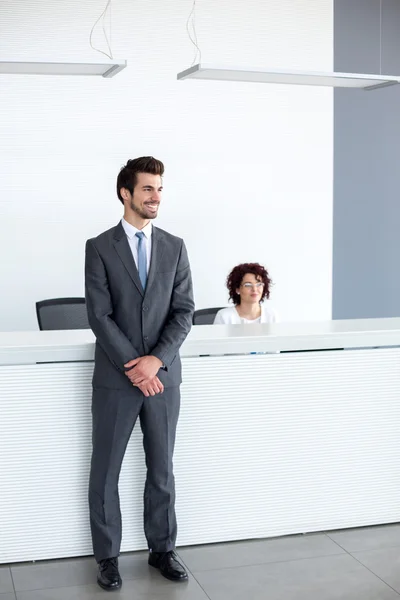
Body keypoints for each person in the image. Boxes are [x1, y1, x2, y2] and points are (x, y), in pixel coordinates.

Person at [85, 156, 194, 591]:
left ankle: (162, 550)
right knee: (106, 470)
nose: (156, 197)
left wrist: (157, 361)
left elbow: (184, 312)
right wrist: (136, 366)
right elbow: (100, 315)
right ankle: (108, 558)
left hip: (164, 378)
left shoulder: (176, 246)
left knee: (162, 469)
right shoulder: (99, 246)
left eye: (160, 188)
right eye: (148, 188)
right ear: (125, 193)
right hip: (117, 379)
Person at [214, 263, 278, 324]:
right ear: (237, 289)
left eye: (259, 284)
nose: (254, 289)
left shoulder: (271, 315)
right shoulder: (224, 317)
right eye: (248, 285)